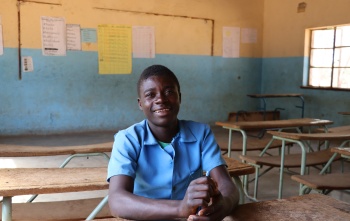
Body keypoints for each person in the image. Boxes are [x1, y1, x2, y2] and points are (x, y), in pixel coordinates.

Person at [107, 64, 239, 221]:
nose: (161, 99)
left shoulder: (201, 133)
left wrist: (221, 208)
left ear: (179, 97)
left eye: (169, 92)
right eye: (150, 95)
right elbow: (117, 201)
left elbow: (227, 185)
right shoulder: (128, 139)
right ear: (140, 104)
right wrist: (180, 208)